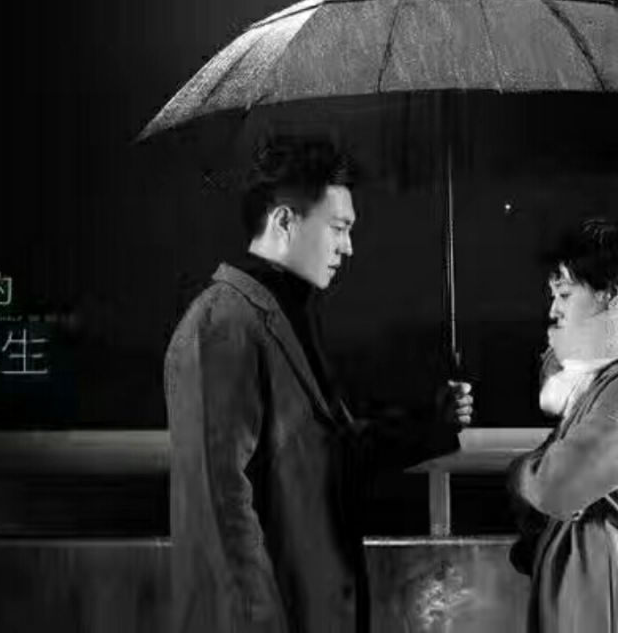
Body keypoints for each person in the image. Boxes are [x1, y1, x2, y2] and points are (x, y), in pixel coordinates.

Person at [165, 133, 473, 633]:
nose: (348, 247)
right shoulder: (221, 326)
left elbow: (331, 456)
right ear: (285, 221)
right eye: (338, 228)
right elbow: (219, 515)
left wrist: (432, 424)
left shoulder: (284, 316)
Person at [508, 217, 618, 633]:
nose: (554, 310)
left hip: (597, 595)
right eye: (553, 295)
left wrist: (521, 471)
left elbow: (556, 484)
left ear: (609, 296)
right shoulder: (594, 381)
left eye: (566, 295)